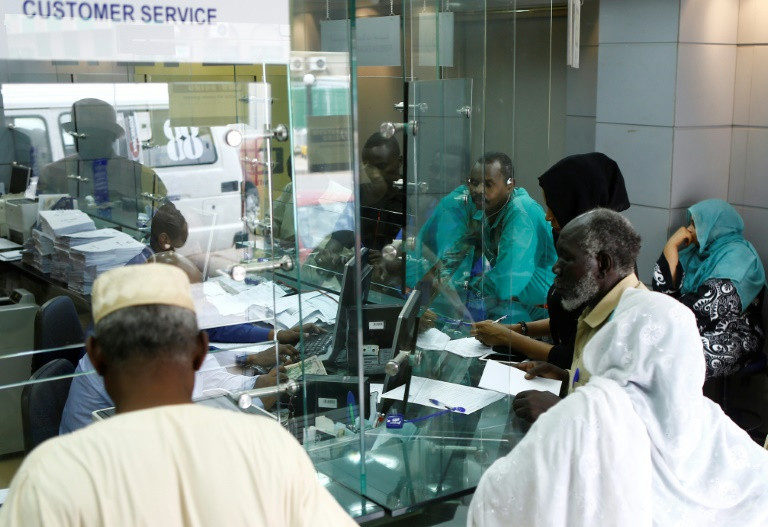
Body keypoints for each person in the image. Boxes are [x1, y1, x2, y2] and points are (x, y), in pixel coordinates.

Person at [0, 264, 356, 526]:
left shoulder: (50, 475)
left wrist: (249, 363)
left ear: (94, 355)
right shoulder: (269, 448)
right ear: (201, 351)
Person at [468, 267, 768, 526]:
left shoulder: (605, 419)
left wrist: (566, 414)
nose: (557, 268)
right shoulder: (710, 420)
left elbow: (497, 502)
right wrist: (567, 378)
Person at [471, 153, 630, 367]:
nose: (547, 216)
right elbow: (574, 321)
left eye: (553, 207)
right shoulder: (580, 247)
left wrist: (508, 337)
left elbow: (575, 357)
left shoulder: (603, 264)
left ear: (577, 203)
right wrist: (519, 329)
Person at [510, 209, 643, 423]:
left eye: (567, 258)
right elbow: (608, 394)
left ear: (603, 264)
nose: (556, 268)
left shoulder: (639, 324)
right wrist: (566, 378)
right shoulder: (596, 307)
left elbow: (637, 423)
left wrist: (560, 409)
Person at [653, 199, 765, 378]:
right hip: (690, 326)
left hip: (734, 334)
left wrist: (663, 323)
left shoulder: (740, 257)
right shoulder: (694, 254)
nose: (688, 230)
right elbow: (663, 295)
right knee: (653, 347)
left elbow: (707, 306)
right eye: (690, 223)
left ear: (716, 227)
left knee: (676, 358)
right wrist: (671, 247)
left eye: (696, 224)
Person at [37, 98, 166, 228]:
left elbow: (169, 223)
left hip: (129, 240)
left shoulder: (142, 175)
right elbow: (41, 225)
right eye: (78, 133)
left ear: (111, 136)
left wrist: (131, 203)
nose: (83, 139)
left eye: (93, 133)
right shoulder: (53, 174)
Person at [463, 152, 555, 321]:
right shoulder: (485, 208)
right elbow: (459, 251)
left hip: (542, 310)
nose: (478, 190)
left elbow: (507, 280)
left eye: (488, 184)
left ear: (510, 185)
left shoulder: (521, 211)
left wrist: (468, 288)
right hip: (513, 301)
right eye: (474, 183)